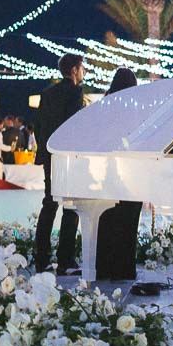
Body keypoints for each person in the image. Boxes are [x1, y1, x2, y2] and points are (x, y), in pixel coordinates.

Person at [33, 53, 87, 275]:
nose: (83, 72)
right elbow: (74, 127)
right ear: (74, 70)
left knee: (49, 204)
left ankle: (42, 259)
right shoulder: (75, 93)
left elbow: (39, 126)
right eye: (82, 68)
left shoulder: (47, 94)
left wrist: (45, 152)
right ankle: (65, 260)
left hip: (49, 156)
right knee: (71, 206)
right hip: (68, 157)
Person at [94, 68, 142, 281]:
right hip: (131, 172)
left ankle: (104, 268)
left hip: (107, 172)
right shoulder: (133, 110)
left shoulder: (104, 108)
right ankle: (125, 269)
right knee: (129, 219)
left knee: (107, 219)